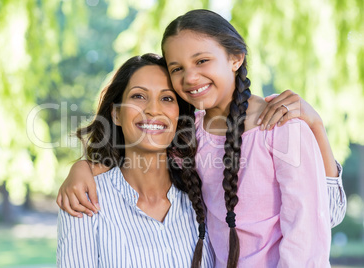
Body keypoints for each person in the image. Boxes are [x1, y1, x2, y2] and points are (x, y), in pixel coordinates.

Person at [58, 10, 346, 267]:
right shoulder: (189, 132)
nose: (191, 77)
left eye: (202, 61)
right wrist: (81, 168)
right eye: (177, 69)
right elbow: (136, 155)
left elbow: (318, 220)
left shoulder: (280, 125)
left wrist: (316, 127)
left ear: (235, 58)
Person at [57, 54, 215, 267]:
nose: (153, 109)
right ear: (116, 114)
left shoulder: (206, 195)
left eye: (167, 98)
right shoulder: (86, 200)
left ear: (180, 117)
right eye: (139, 96)